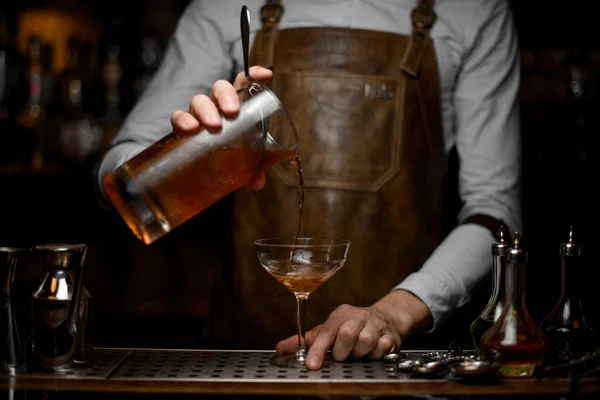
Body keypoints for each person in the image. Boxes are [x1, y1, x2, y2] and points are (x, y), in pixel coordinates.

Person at [96, 0, 522, 370]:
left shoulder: (474, 10)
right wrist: (176, 154)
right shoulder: (222, 6)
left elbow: (495, 213)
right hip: (242, 358)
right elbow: (116, 173)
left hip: (400, 360)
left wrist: (394, 313)